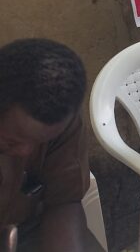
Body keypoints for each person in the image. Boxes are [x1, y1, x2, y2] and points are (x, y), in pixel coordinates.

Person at [0, 39, 94, 251]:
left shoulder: (62, 119)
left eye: (41, 142)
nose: (26, 151)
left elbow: (63, 201)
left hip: (28, 228)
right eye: (13, 140)